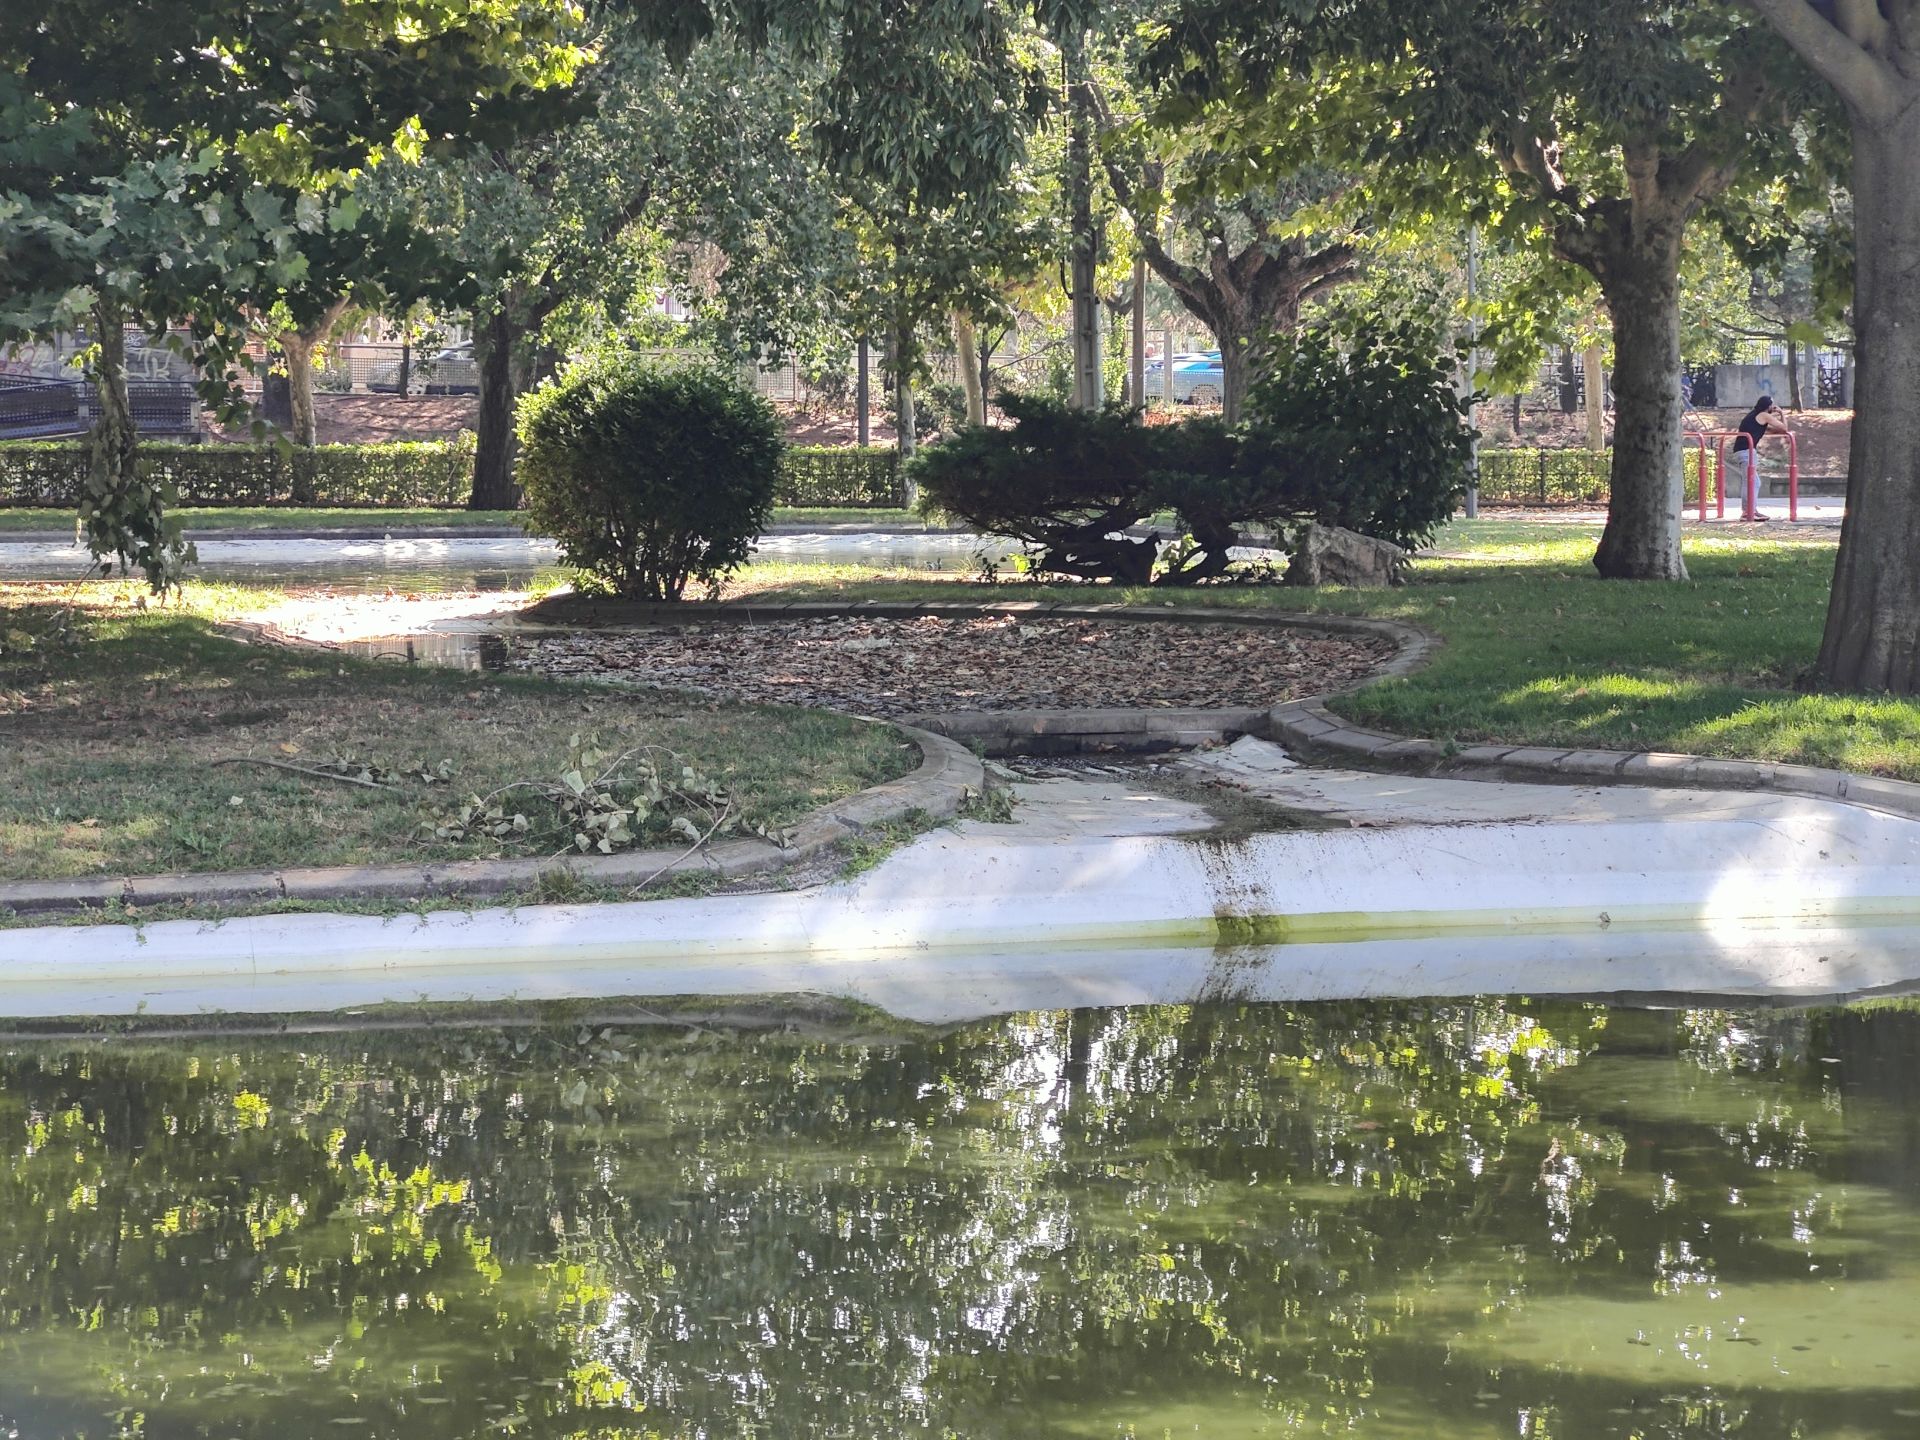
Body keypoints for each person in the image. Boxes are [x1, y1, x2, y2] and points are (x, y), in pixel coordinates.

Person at [1729, 395, 1791, 521]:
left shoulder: (1754, 415)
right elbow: (1784, 428)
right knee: (1753, 482)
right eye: (1772, 405)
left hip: (1743, 450)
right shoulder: (1764, 415)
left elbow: (1774, 430)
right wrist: (1781, 413)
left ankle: (1750, 510)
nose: (1773, 407)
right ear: (1768, 406)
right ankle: (1748, 511)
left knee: (1751, 481)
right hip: (1747, 450)